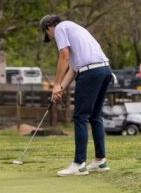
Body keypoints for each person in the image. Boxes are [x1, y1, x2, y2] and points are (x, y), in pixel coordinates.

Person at [40, 14, 112, 177]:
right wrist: (59, 89)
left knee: (80, 117)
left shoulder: (60, 28)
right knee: (95, 116)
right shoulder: (75, 31)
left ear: (49, 26)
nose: (51, 37)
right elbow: (73, 69)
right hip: (104, 71)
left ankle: (79, 164)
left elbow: (63, 56)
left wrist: (56, 83)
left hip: (91, 73)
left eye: (48, 34)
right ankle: (100, 161)